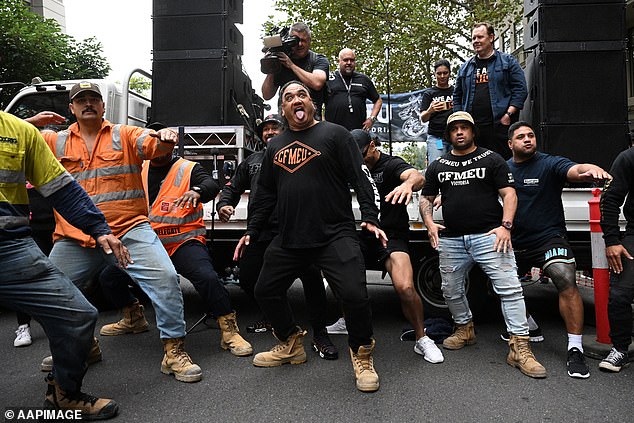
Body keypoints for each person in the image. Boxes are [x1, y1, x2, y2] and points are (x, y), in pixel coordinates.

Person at [40, 82, 203, 383]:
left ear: (103, 107)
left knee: (166, 279)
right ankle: (81, 346)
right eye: (81, 100)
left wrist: (165, 138)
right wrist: (29, 124)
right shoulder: (53, 140)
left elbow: (152, 144)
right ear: (71, 108)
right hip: (75, 237)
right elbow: (12, 140)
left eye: (93, 99)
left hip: (129, 231)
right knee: (48, 293)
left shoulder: (124, 134)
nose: (88, 104)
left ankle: (174, 350)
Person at [234, 81, 387, 392]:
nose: (295, 100)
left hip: (334, 234)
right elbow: (263, 194)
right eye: (288, 97)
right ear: (283, 109)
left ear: (312, 103)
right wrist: (251, 230)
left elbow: (360, 178)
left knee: (355, 295)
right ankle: (290, 342)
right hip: (290, 238)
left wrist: (370, 218)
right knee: (264, 289)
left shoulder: (335, 134)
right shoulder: (275, 146)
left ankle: (362, 353)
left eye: (301, 94)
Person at [0, 110, 130, 419]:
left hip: (11, 249)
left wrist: (98, 229)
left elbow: (62, 189)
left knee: (78, 315)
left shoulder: (20, 131)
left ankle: (63, 393)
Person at [419, 111, 546, 379]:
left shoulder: (492, 159)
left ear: (473, 132)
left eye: (465, 127)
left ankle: (520, 347)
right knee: (450, 291)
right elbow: (426, 198)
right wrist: (429, 223)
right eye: (455, 129)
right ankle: (464, 328)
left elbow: (509, 194)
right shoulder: (438, 165)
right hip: (452, 239)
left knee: (510, 289)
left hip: (489, 236)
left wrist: (506, 226)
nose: (460, 132)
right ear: (449, 134)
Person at [217, 114, 338, 360]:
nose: (270, 132)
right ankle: (276, 318)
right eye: (266, 129)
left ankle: (320, 334)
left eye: (275, 127)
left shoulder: (297, 154)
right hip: (260, 232)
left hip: (295, 230)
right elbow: (232, 188)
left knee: (312, 280)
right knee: (251, 279)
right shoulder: (252, 161)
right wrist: (224, 205)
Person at [507, 121, 611, 378]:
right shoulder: (503, 168)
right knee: (494, 280)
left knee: (564, 276)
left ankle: (574, 348)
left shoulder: (549, 163)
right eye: (521, 137)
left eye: (531, 135)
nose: (528, 140)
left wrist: (590, 169)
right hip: (515, 241)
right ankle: (529, 325)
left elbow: (574, 170)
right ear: (510, 144)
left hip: (548, 238)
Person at [352, 129, 443, 363]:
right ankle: (347, 319)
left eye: (361, 154)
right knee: (345, 282)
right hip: (361, 233)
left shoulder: (390, 164)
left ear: (372, 146)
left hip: (391, 234)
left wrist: (408, 185)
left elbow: (417, 177)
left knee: (405, 287)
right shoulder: (351, 164)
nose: (358, 159)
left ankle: (422, 339)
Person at [453, 22, 527, 160]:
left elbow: (521, 90)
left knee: (503, 164)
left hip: (501, 126)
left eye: (480, 37)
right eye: (473, 38)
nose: (476, 41)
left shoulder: (508, 61)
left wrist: (508, 114)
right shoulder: (465, 68)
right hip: (474, 128)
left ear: (491, 37)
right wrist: (461, 120)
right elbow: (457, 96)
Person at [599, 146, 634, 372]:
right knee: (621, 294)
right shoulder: (629, 157)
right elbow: (610, 200)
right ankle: (620, 349)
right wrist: (612, 241)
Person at [261, 22, 329, 118]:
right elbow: (267, 95)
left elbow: (317, 83)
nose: (300, 44)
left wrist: (291, 65)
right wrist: (273, 64)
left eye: (303, 40)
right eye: (296, 41)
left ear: (309, 41)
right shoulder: (282, 61)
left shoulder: (318, 59)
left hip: (312, 121)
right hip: (286, 122)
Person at [325, 48, 382, 131]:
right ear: (339, 61)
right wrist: (321, 122)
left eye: (352, 60)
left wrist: (372, 118)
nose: (349, 63)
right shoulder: (329, 79)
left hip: (358, 131)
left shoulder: (363, 79)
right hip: (333, 131)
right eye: (345, 60)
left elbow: (378, 100)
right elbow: (316, 101)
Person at [420, 59, 454, 164]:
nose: (442, 76)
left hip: (455, 136)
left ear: (449, 73)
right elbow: (423, 118)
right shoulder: (429, 93)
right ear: (435, 74)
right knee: (436, 166)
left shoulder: (456, 91)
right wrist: (430, 110)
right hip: (437, 138)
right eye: (439, 73)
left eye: (445, 73)